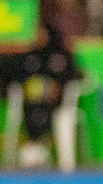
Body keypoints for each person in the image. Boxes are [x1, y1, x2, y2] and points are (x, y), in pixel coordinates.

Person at [6, 21, 84, 167]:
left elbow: (75, 74)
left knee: (47, 107)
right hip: (31, 100)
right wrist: (29, 87)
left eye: (41, 32)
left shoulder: (60, 53)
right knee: (33, 107)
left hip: (58, 101)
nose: (38, 36)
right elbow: (16, 77)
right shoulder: (28, 55)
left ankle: (40, 145)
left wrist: (58, 86)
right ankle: (35, 144)